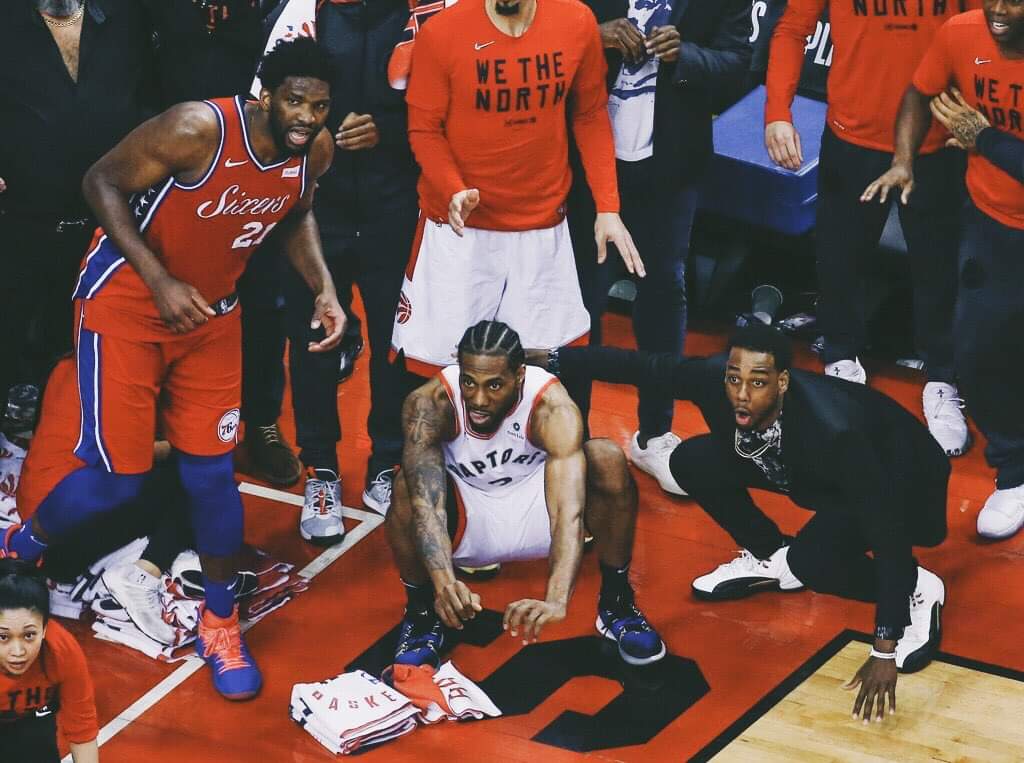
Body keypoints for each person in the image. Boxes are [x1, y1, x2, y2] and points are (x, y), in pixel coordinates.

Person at [1, 38, 344, 701]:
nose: (307, 116)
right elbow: (99, 181)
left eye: (321, 106)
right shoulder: (198, 129)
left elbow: (296, 213)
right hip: (127, 304)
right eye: (296, 101)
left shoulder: (314, 151)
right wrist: (157, 279)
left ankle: (220, 621)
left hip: (211, 317)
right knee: (117, 479)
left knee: (213, 476)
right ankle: (22, 542)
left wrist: (324, 287)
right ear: (264, 97)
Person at [527, 323, 949, 722]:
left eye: (758, 382)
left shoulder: (836, 435)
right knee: (692, 461)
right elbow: (642, 367)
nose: (741, 395)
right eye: (734, 379)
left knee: (814, 563)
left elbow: (888, 536)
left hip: (902, 481)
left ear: (782, 382)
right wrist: (550, 360)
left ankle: (918, 588)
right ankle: (771, 554)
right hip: (802, 470)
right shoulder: (720, 382)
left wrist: (883, 650)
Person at [388, 0, 643, 387]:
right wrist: (452, 188)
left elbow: (590, 113)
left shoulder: (576, 21)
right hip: (458, 230)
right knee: (439, 383)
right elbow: (425, 129)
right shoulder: (442, 32)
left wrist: (608, 206)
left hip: (542, 229)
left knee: (542, 378)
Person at [386, 320, 665, 669]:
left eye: (494, 385)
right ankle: (423, 615)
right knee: (404, 488)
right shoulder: (429, 405)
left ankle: (617, 604)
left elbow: (568, 512)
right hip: (468, 517)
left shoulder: (551, 406)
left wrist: (557, 599)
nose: (478, 399)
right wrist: (444, 583)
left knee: (606, 458)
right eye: (469, 382)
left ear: (520, 375)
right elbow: (427, 506)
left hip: (539, 509)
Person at [764, 0, 976, 458]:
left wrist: (980, 112)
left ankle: (941, 378)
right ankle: (841, 361)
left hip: (936, 144)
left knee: (939, 270)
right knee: (841, 259)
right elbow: (791, 29)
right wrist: (777, 110)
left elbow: (985, 34)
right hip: (851, 135)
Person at [568, 0, 753, 496]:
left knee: (664, 290)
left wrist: (686, 54)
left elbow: (738, 63)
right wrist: (595, 35)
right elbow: (544, 29)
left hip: (669, 166)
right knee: (583, 301)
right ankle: (572, 436)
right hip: (587, 162)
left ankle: (654, 433)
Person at [863, 0, 1024, 539]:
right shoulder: (961, 34)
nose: (998, 10)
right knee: (976, 354)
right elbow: (919, 90)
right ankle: (1016, 474)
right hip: (990, 223)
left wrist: (988, 141)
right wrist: (904, 157)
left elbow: (988, 139)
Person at [146, 0, 306, 489]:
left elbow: (297, 72)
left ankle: (260, 422)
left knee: (261, 301)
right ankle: (154, 424)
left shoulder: (267, 7)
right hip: (171, 161)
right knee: (159, 300)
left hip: (254, 160)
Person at [284, 0, 423, 540]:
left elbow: (449, 109)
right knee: (316, 337)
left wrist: (390, 129)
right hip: (318, 209)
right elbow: (269, 103)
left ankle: (387, 461)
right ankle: (320, 468)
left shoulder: (426, 13)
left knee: (396, 340)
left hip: (398, 204)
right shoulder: (303, 10)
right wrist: (314, 133)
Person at [0, 0, 153, 415]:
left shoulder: (128, 16)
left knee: (80, 341)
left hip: (107, 221)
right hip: (18, 219)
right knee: (10, 327)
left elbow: (154, 91)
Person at [1, 559, 99, 763]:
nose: (18, 652)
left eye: (29, 635)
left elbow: (82, 728)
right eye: (3, 637)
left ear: (45, 628)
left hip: (30, 725)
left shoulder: (61, 650)